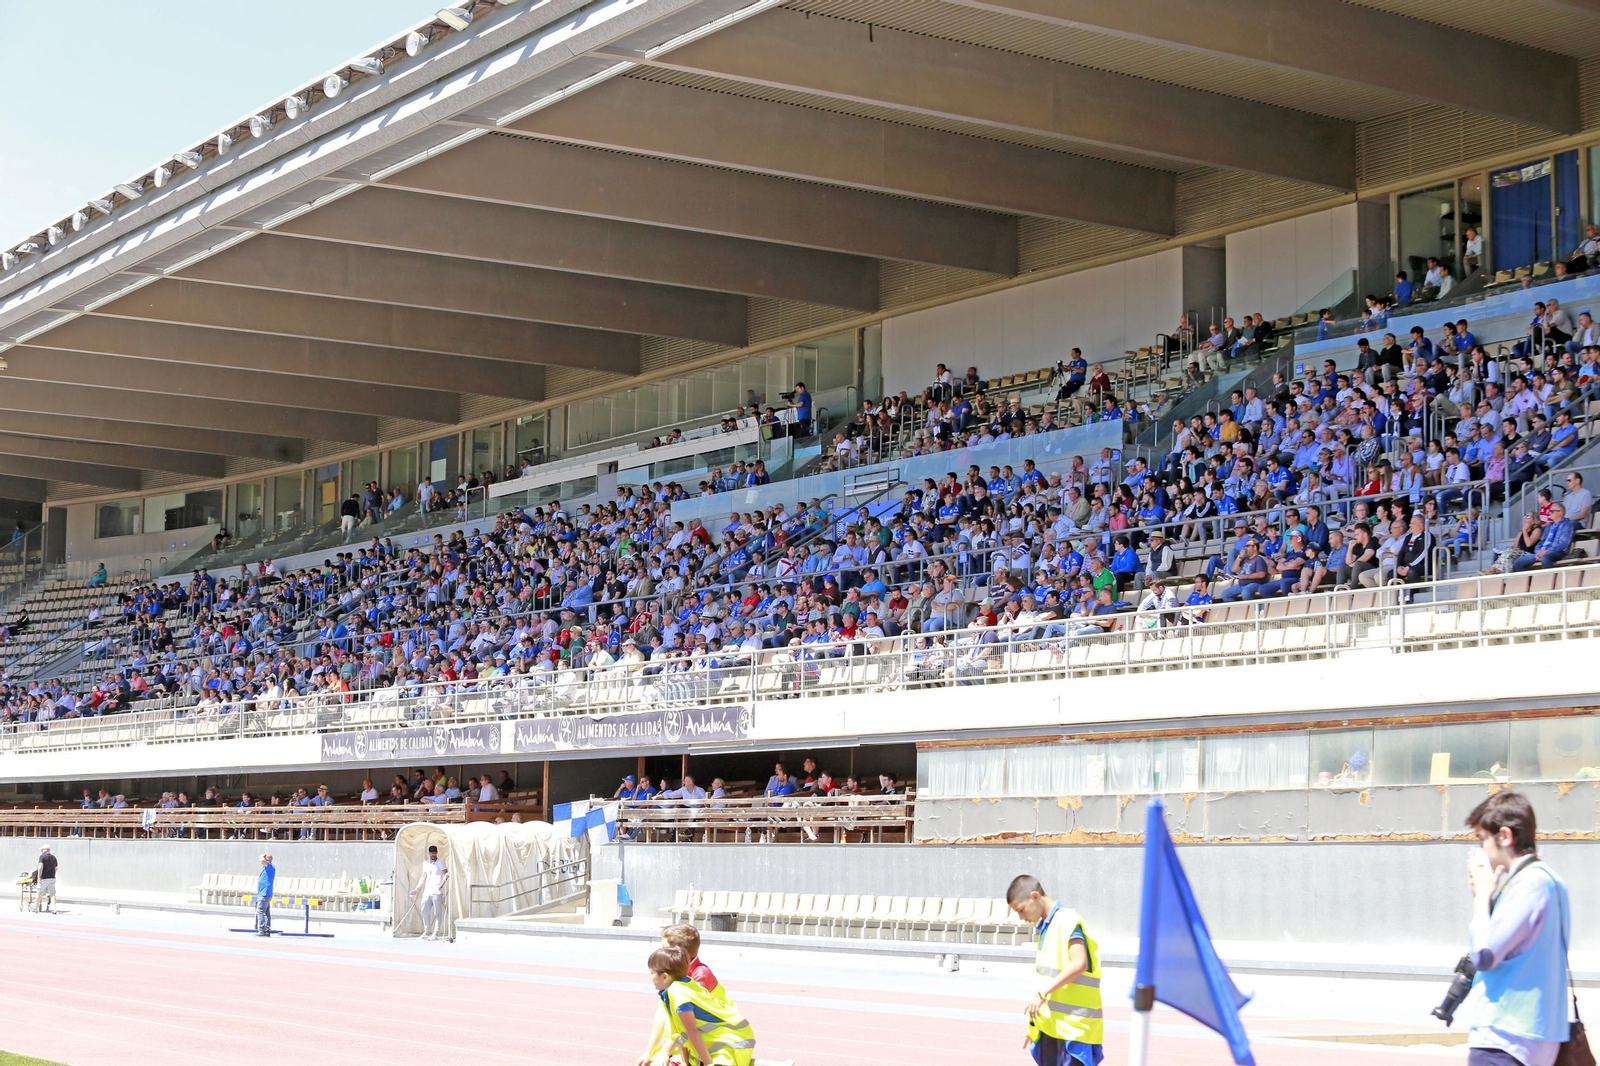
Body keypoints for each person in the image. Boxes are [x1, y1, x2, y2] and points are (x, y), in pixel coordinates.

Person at [1464, 791, 1573, 1066]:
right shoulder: (1551, 881)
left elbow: (1485, 955)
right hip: (1539, 1035)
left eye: (1482, 839)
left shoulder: (1529, 883)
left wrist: (1481, 896)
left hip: (1505, 1036)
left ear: (1504, 836)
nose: (1481, 851)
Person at [1007, 874, 1103, 1066]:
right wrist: (1035, 1027)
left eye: (1021, 910)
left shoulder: (1067, 920)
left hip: (1074, 1031)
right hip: (1052, 1028)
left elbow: (1079, 963)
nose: (1021, 917)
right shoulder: (1047, 926)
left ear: (1034, 896)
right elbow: (1047, 977)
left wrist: (1042, 994)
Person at [646, 944, 756, 1066]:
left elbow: (692, 1031)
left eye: (652, 973)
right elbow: (680, 1034)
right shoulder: (681, 987)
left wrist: (708, 1063)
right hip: (728, 1041)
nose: (650, 977)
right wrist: (684, 1062)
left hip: (731, 1043)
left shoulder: (677, 993)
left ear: (665, 977)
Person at [636, 925, 723, 1066]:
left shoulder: (700, 975)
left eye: (664, 947)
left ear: (677, 952)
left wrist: (665, 1052)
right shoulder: (672, 976)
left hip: (712, 1044)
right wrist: (649, 1052)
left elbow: (689, 1024)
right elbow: (663, 1015)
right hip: (687, 1043)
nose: (661, 952)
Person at [412, 844, 450, 941]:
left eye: (434, 852)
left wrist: (441, 885)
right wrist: (417, 888)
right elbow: (423, 876)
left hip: (436, 891)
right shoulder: (426, 863)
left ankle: (436, 932)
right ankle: (427, 931)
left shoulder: (440, 862)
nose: (433, 854)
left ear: (437, 853)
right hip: (427, 890)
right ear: (429, 853)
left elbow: (446, 874)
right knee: (424, 910)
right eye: (431, 852)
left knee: (437, 913)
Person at [255, 853, 275, 937]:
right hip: (264, 892)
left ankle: (262, 929)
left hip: (265, 893)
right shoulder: (267, 868)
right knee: (266, 912)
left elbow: (262, 860)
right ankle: (267, 929)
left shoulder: (269, 866)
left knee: (260, 911)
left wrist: (262, 855)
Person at [33, 846, 57, 914]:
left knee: (39, 893)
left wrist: (39, 876)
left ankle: (35, 907)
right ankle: (54, 909)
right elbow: (56, 868)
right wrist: (53, 874)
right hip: (52, 877)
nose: (41, 851)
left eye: (42, 850)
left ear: (45, 850)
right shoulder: (54, 857)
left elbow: (40, 867)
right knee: (52, 894)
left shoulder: (42, 857)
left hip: (44, 878)